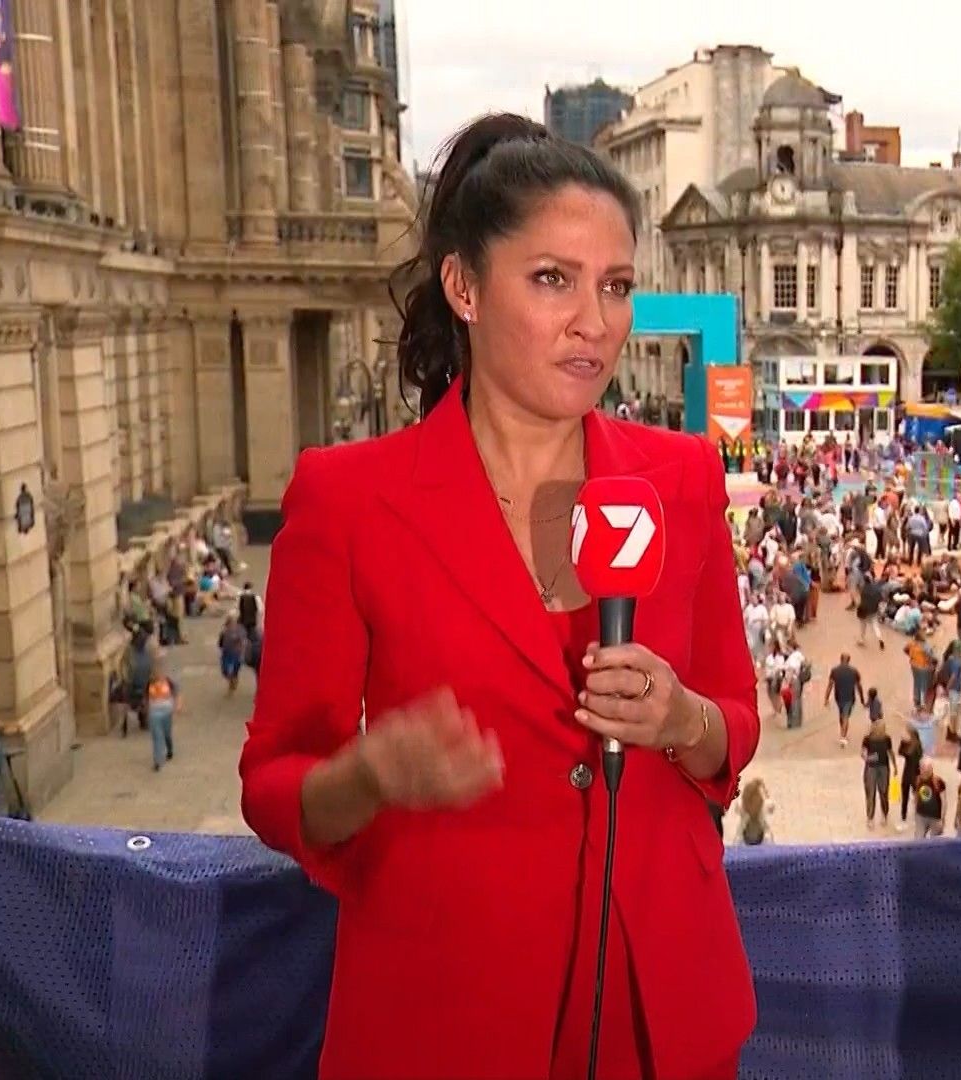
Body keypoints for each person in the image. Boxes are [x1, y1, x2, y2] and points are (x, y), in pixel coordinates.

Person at [237, 114, 758, 1080]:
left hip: (657, 1010)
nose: (595, 322)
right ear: (464, 287)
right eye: (554, 279)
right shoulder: (348, 499)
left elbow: (734, 722)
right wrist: (369, 776)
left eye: (616, 286)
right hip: (446, 1013)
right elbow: (274, 785)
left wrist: (683, 718)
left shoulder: (682, 478)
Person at [859, 716, 894, 827]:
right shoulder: (868, 739)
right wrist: (868, 758)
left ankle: (884, 814)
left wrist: (895, 765)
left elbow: (890, 752)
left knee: (884, 792)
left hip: (884, 767)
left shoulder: (887, 739)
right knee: (870, 792)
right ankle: (870, 817)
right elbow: (863, 753)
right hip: (871, 768)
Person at [825, 653, 864, 749]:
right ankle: (843, 736)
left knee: (842, 714)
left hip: (838, 696)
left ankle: (843, 732)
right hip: (850, 696)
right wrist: (862, 698)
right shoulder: (854, 671)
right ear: (849, 660)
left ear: (840, 659)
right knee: (846, 716)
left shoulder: (834, 670)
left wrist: (826, 698)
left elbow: (830, 685)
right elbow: (858, 685)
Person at [146, 665, 179, 773]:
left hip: (167, 713)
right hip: (154, 714)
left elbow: (176, 693)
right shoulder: (149, 684)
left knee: (166, 734)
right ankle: (158, 761)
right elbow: (146, 697)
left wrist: (177, 705)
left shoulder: (168, 682)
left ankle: (169, 749)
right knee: (157, 737)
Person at [910, 766, 946, 838]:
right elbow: (915, 796)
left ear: (931, 770)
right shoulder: (917, 780)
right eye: (922, 770)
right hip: (921, 815)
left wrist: (942, 819)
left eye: (926, 771)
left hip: (935, 817)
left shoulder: (938, 781)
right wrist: (915, 813)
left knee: (935, 840)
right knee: (919, 839)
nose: (924, 773)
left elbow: (944, 801)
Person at [218, 615, 250, 697]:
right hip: (226, 653)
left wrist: (242, 652)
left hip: (236, 653)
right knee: (225, 669)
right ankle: (232, 679)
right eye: (229, 624)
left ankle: (233, 680)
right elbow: (220, 643)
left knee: (235, 668)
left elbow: (243, 641)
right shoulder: (224, 632)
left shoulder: (240, 631)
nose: (230, 626)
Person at [738, 778, 774, 845]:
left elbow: (742, 800)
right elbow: (771, 805)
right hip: (763, 840)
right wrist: (763, 788)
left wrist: (750, 787)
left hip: (743, 840)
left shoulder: (741, 806)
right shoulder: (765, 805)